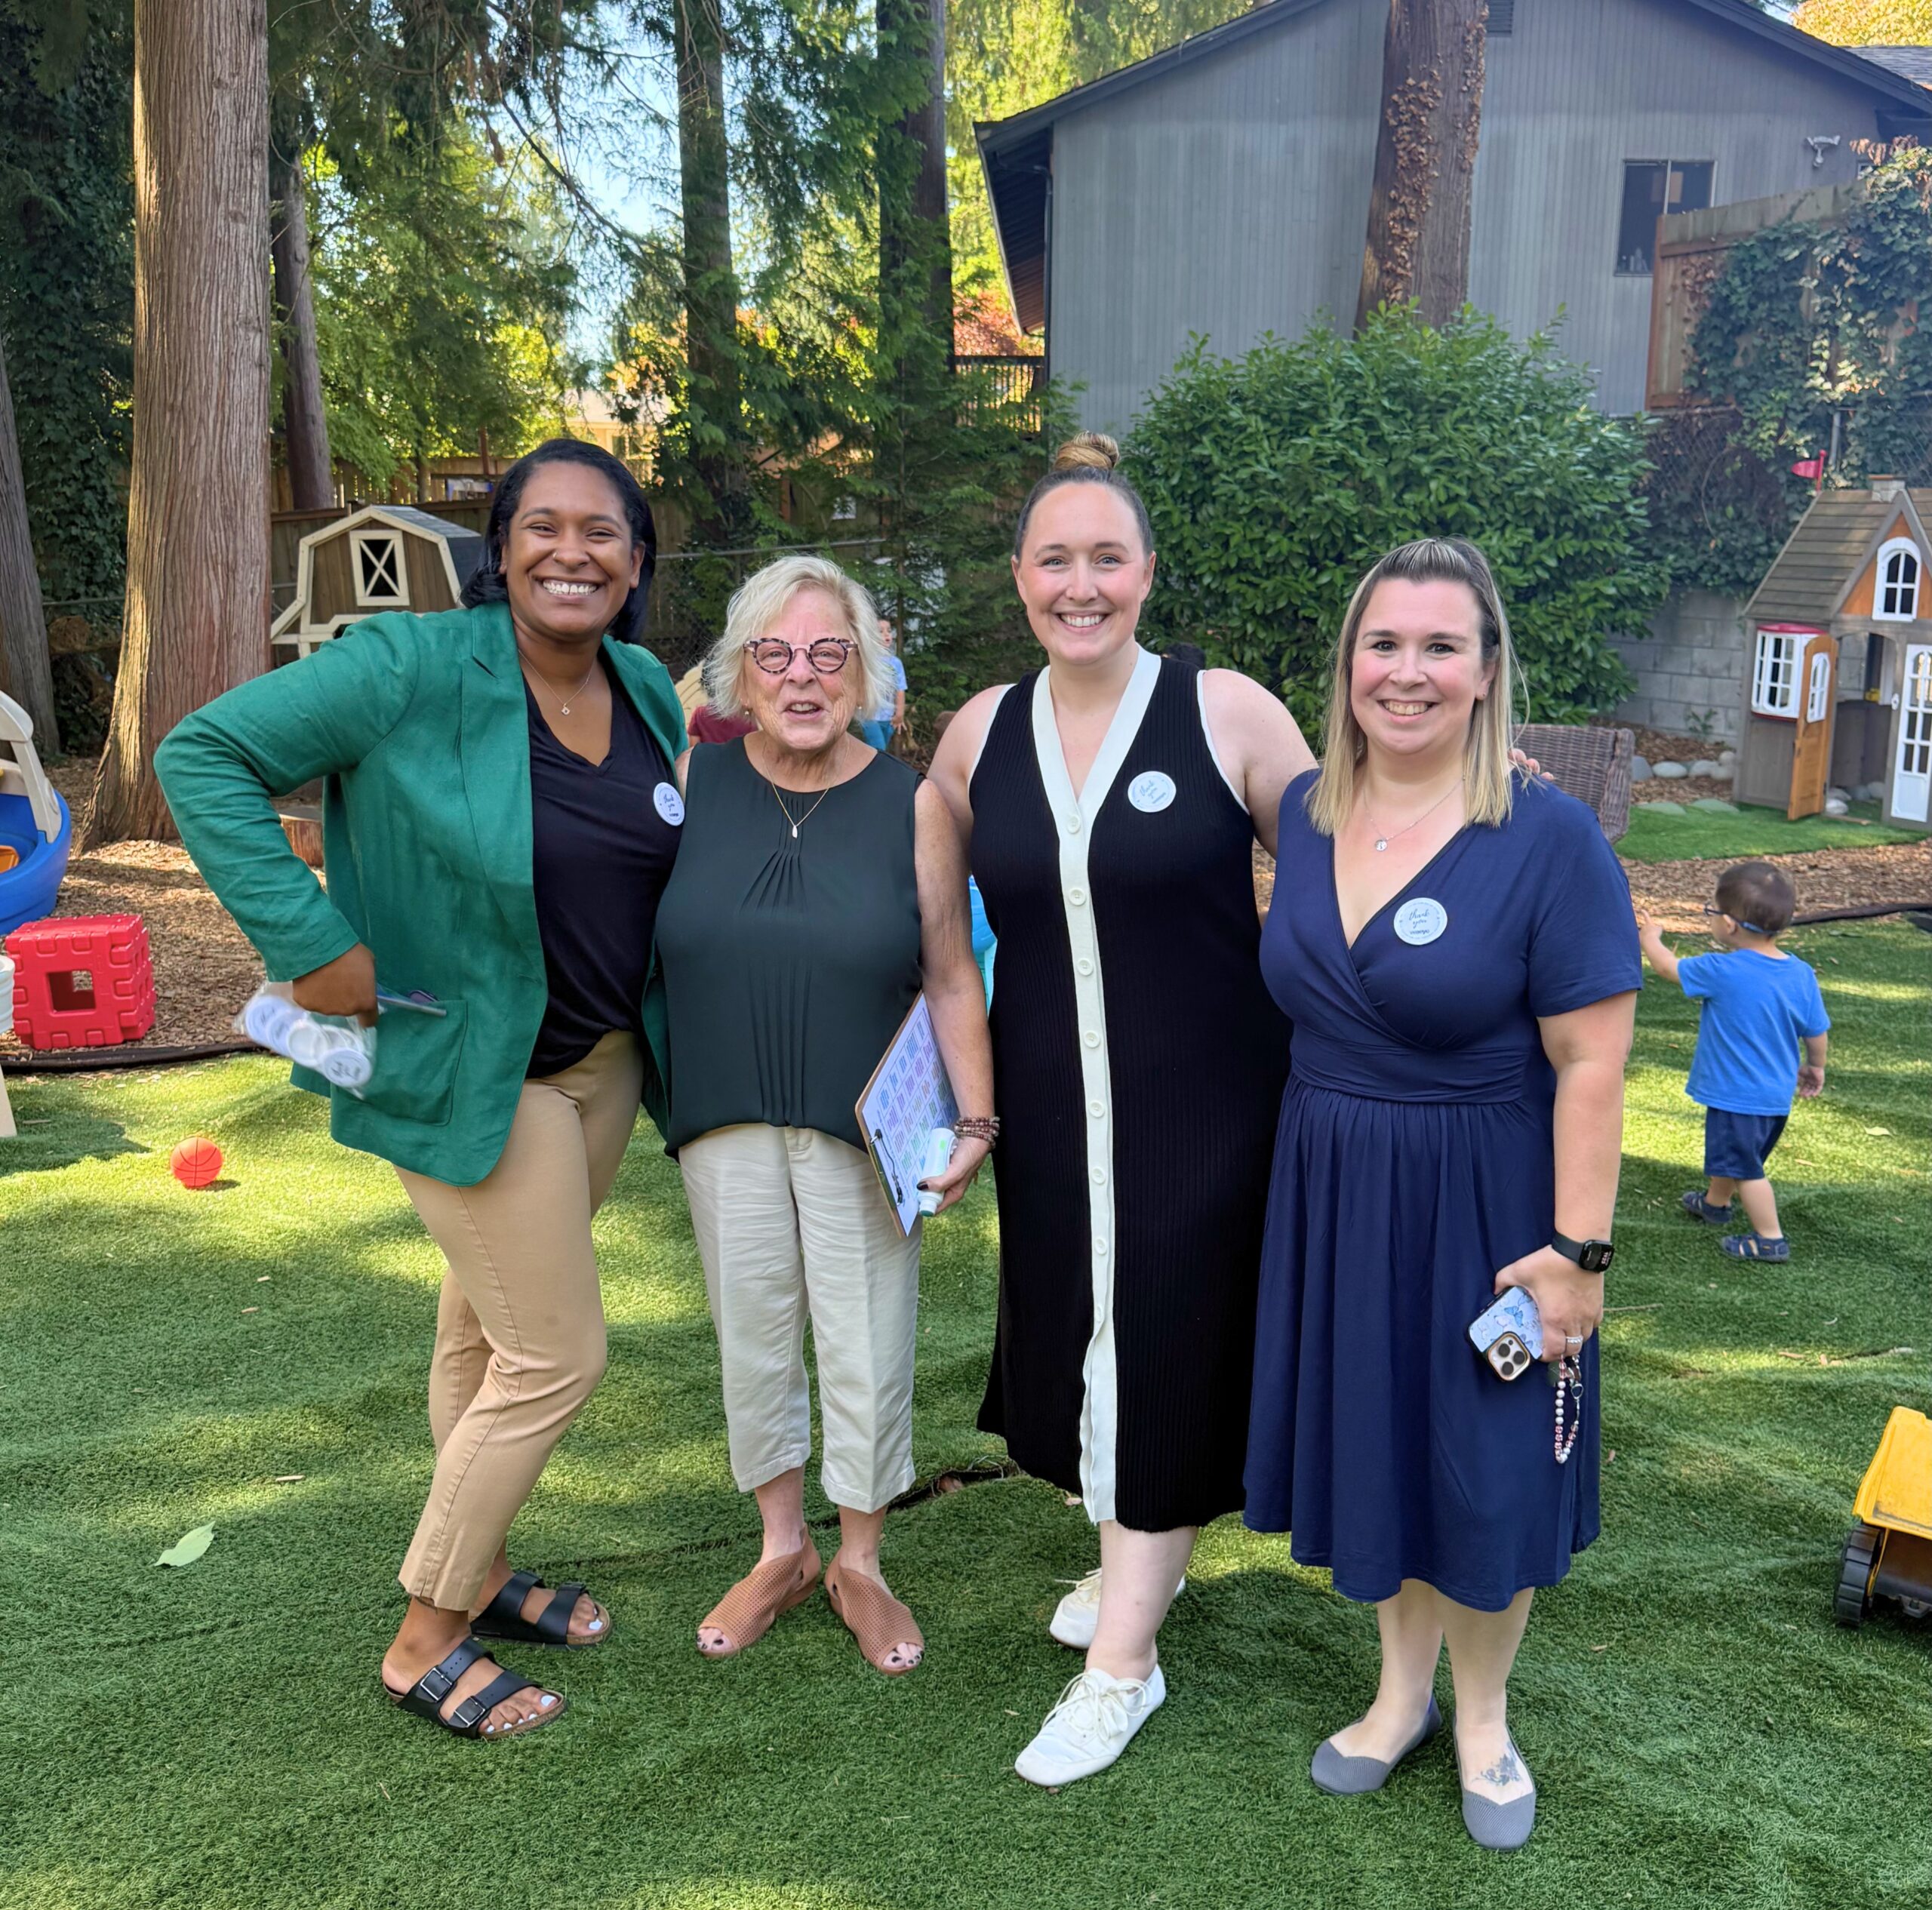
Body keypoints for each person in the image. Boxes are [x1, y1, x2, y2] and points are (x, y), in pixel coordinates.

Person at [155, 439, 689, 1742]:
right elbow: (202, 754)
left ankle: (486, 1566)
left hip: (599, 1065)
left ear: (636, 564)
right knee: (558, 1354)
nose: (575, 551)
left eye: (605, 532)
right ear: (498, 549)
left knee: (483, 1334)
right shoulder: (407, 667)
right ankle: (426, 1634)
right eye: (544, 527)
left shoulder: (645, 688)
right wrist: (312, 943)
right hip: (464, 1059)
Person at [1242, 537, 1640, 1850]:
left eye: (1439, 646)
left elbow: (1592, 1064)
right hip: (1336, 1192)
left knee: (1490, 1466)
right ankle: (1398, 1695)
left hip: (1488, 1207)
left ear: (1486, 671)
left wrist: (1579, 1254)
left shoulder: (1549, 838)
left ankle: (1483, 1716)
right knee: (1380, 1448)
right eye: (1383, 644)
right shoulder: (1303, 811)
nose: (1406, 672)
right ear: (1348, 661)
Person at [928, 434, 1313, 1785]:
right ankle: (1135, 1557)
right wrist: (971, 1115)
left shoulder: (1227, 711)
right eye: (1055, 559)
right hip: (1045, 1107)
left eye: (1107, 558)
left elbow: (1344, 878)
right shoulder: (976, 734)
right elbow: (946, 953)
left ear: (1148, 572)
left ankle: (1123, 1664)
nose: (1080, 584)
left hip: (1205, 1105)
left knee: (1161, 1333)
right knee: (1087, 1337)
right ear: (1019, 576)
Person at [656, 555, 995, 1676]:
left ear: (865, 672)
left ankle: (861, 1558)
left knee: (863, 1336)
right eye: (776, 654)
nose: (802, 677)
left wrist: (978, 1125)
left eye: (828, 654)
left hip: (864, 1128)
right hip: (723, 1112)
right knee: (753, 1331)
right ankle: (781, 1547)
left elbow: (953, 974)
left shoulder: (915, 803)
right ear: (739, 676)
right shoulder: (690, 783)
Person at [1636, 863, 1829, 1262]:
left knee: (1746, 1169)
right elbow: (1816, 1030)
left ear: (1729, 924)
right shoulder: (1800, 974)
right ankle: (1715, 1204)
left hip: (1737, 1096)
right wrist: (1816, 1066)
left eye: (1710, 912)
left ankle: (1769, 1239)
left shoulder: (1722, 969)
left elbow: (1666, 968)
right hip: (1774, 1098)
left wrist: (1650, 938)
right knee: (1737, 1155)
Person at [858, 617, 907, 752]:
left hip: (889, 718)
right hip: (870, 716)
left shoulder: (896, 663)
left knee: (881, 752)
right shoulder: (867, 660)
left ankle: (869, 772)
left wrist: (899, 714)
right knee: (878, 749)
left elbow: (900, 689)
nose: (886, 634)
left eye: (889, 630)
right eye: (880, 631)